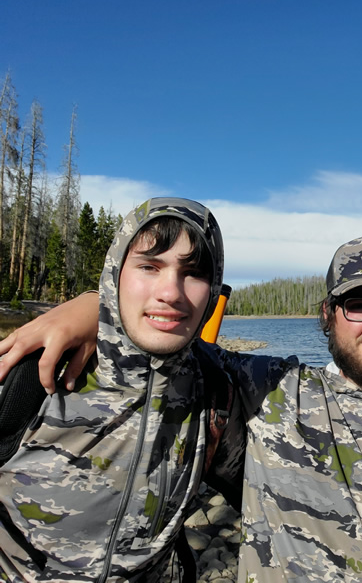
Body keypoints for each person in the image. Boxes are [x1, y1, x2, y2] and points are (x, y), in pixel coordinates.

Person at [0, 234, 362, 582]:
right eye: (358, 303)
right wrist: (85, 309)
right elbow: (161, 326)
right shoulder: (271, 390)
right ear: (328, 316)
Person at [0, 197, 238, 581]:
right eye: (149, 266)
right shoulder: (30, 371)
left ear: (213, 290)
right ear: (116, 274)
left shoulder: (217, 384)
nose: (170, 292)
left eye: (192, 273)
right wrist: (92, 304)